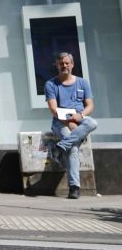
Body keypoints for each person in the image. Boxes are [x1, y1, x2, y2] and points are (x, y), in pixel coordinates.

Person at [45, 52, 98, 199]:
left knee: (93, 122)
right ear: (57, 65)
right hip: (60, 121)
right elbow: (53, 109)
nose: (64, 66)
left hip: (79, 118)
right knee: (73, 147)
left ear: (72, 65)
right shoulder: (50, 84)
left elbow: (90, 106)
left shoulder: (82, 82)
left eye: (67, 63)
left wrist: (79, 117)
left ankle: (59, 147)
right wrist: (69, 122)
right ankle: (74, 187)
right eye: (61, 63)